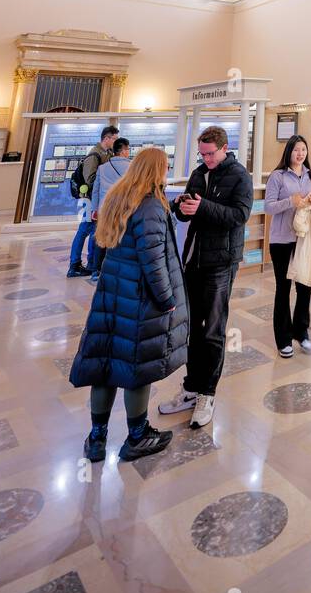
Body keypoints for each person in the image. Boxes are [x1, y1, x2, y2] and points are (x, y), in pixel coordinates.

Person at [69, 146, 188, 462]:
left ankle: (97, 437)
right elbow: (153, 260)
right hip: (138, 296)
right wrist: (167, 299)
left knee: (106, 366)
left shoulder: (120, 196)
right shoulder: (149, 206)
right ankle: (137, 435)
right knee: (136, 365)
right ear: (156, 171)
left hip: (112, 293)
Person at [158, 126, 253, 429]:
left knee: (212, 330)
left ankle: (207, 394)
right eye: (203, 154)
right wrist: (182, 208)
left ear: (225, 148)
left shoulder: (239, 175)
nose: (207, 158)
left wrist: (204, 207)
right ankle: (190, 387)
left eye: (211, 153)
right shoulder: (199, 174)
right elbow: (190, 214)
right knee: (191, 330)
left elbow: (240, 216)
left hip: (221, 263)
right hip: (193, 260)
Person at [264, 135, 311, 358]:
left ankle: (302, 331)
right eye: (296, 150)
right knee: (283, 288)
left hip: (304, 239)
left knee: (305, 286)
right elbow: (268, 207)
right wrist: (291, 202)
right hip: (281, 241)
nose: (300, 153)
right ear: (289, 152)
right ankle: (283, 338)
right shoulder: (277, 176)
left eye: (303, 150)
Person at [67, 125, 118, 278]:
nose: (115, 142)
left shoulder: (106, 153)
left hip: (96, 199)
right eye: (114, 139)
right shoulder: (94, 155)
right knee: (84, 230)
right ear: (107, 138)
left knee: (94, 231)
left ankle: (91, 263)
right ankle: (74, 265)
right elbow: (90, 180)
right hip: (89, 199)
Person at [88, 137, 131, 283]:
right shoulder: (131, 167)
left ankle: (96, 270)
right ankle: (115, 270)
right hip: (122, 209)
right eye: (128, 149)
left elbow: (96, 190)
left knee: (101, 239)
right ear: (124, 150)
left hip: (104, 209)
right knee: (120, 239)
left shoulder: (102, 167)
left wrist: (94, 209)